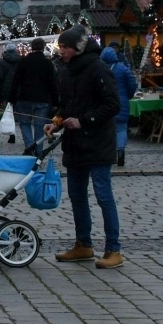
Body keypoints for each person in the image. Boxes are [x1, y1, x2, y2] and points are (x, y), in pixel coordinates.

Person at [49, 29, 122, 269]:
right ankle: (83, 244)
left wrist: (84, 121)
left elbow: (112, 104)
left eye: (66, 47)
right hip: (75, 144)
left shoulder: (99, 69)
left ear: (78, 48)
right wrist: (57, 121)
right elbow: (66, 104)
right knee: (77, 196)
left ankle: (113, 249)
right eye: (60, 46)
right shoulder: (67, 70)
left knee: (103, 196)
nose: (62, 50)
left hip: (98, 142)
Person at [11, 38, 58, 153]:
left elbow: (15, 80)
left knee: (25, 124)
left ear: (31, 47)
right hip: (42, 99)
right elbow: (53, 83)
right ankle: (38, 152)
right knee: (39, 126)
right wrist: (55, 102)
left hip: (25, 98)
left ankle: (29, 147)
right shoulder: (47, 63)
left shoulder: (24, 61)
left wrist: (11, 98)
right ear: (43, 47)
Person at [101, 46, 139, 168]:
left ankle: (107, 154)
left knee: (105, 129)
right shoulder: (123, 68)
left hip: (104, 104)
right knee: (121, 129)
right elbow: (132, 84)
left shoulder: (99, 69)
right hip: (121, 103)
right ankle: (120, 150)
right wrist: (128, 95)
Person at [0, 44, 22, 145]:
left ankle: (12, 134)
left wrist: (1, 89)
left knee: (8, 110)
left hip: (7, 89)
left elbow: (0, 77)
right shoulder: (21, 61)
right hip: (19, 88)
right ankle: (22, 130)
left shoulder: (2, 62)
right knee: (19, 112)